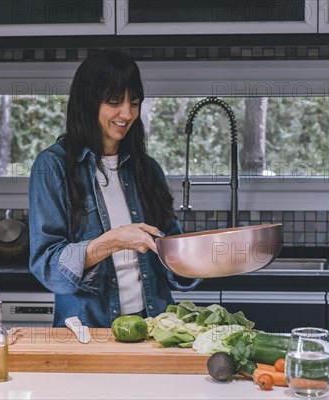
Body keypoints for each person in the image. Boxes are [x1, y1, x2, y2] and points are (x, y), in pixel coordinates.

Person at [29, 50, 201, 328]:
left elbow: (171, 248)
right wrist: (115, 240)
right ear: (88, 103)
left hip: (155, 326)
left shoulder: (147, 168)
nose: (127, 113)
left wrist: (211, 254)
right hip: (89, 329)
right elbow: (48, 265)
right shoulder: (52, 167)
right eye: (114, 102)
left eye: (134, 103)